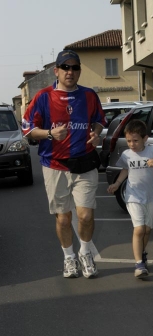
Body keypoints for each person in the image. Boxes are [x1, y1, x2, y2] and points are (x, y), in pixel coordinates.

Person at [22, 50, 106, 279]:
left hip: (85, 162)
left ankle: (85, 254)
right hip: (55, 165)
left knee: (86, 215)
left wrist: (96, 134)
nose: (70, 72)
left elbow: (99, 120)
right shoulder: (43, 97)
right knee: (63, 217)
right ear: (56, 70)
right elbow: (27, 129)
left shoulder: (89, 95)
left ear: (79, 71)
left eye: (75, 67)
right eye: (65, 67)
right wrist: (49, 133)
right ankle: (69, 258)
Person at [107, 119, 153, 278]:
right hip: (133, 196)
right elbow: (125, 169)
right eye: (129, 140)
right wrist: (117, 183)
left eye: (135, 140)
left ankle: (142, 254)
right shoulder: (126, 154)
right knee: (139, 229)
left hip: (151, 197)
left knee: (148, 230)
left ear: (145, 138)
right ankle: (139, 264)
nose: (131, 144)